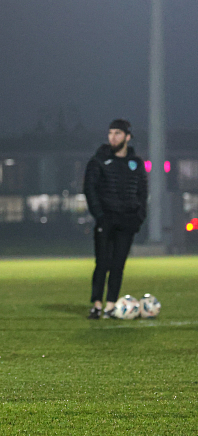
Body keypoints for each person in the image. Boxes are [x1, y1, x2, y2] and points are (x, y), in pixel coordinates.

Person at [84, 119, 147, 319]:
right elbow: (90, 190)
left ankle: (111, 306)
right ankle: (97, 305)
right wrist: (100, 215)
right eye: (111, 133)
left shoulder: (136, 163)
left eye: (118, 133)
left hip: (127, 221)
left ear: (127, 137)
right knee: (102, 263)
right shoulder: (98, 161)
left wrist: (139, 217)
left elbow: (142, 192)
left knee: (118, 265)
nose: (113, 137)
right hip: (106, 219)